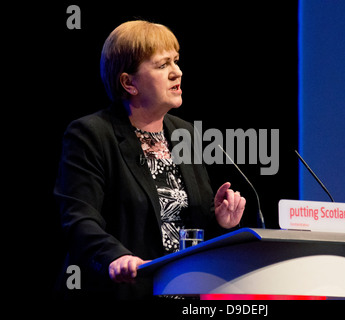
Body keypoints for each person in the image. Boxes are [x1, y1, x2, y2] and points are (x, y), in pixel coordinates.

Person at [54, 20, 246, 299]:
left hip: (182, 292)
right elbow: (79, 219)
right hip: (121, 292)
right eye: (162, 65)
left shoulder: (185, 134)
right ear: (128, 82)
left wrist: (221, 222)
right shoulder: (91, 134)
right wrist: (116, 257)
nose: (177, 72)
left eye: (176, 62)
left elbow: (189, 227)